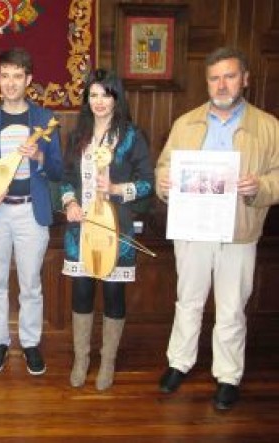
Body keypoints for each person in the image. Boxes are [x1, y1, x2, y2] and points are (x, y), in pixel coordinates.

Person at [155, 47, 279, 410]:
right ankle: (179, 362)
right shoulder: (186, 122)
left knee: (231, 308)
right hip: (192, 229)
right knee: (188, 301)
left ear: (245, 80)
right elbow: (164, 166)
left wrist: (261, 187)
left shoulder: (268, 126)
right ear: (206, 82)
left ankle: (228, 375)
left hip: (238, 231)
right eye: (214, 78)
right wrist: (164, 182)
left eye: (229, 76)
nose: (221, 84)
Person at [0, 47, 63, 375]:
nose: (10, 83)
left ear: (28, 80)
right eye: (5, 76)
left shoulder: (43, 120)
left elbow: (57, 169)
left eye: (17, 76)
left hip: (31, 213)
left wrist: (39, 157)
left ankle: (31, 343)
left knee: (30, 283)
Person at [60, 69, 154, 390]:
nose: (99, 101)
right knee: (82, 292)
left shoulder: (131, 136)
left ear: (116, 97)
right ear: (87, 99)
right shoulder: (78, 136)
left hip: (117, 227)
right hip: (81, 229)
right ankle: (81, 357)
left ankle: (108, 359)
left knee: (114, 294)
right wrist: (70, 202)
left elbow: (147, 183)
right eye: (93, 95)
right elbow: (65, 179)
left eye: (106, 94)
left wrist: (116, 187)